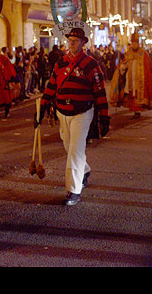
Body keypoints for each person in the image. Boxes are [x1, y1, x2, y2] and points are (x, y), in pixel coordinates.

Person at [37, 27, 110, 206]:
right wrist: (42, 107)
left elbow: (100, 91)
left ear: (83, 43)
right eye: (70, 39)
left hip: (82, 112)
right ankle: (84, 170)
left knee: (75, 150)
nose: (72, 42)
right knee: (69, 146)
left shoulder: (92, 64)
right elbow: (51, 86)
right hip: (62, 111)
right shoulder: (60, 62)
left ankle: (73, 190)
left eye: (76, 40)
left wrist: (105, 116)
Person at [121, 34, 152, 118]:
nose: (134, 45)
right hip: (131, 78)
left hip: (140, 78)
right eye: (133, 43)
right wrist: (122, 67)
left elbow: (148, 67)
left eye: (135, 43)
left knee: (137, 94)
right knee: (132, 94)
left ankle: (137, 111)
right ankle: (134, 110)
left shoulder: (143, 53)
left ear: (138, 44)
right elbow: (124, 64)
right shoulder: (129, 53)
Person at [0, 46, 18, 118]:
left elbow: (10, 69)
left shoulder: (5, 60)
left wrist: (10, 79)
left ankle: (7, 112)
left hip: (4, 82)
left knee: (6, 98)